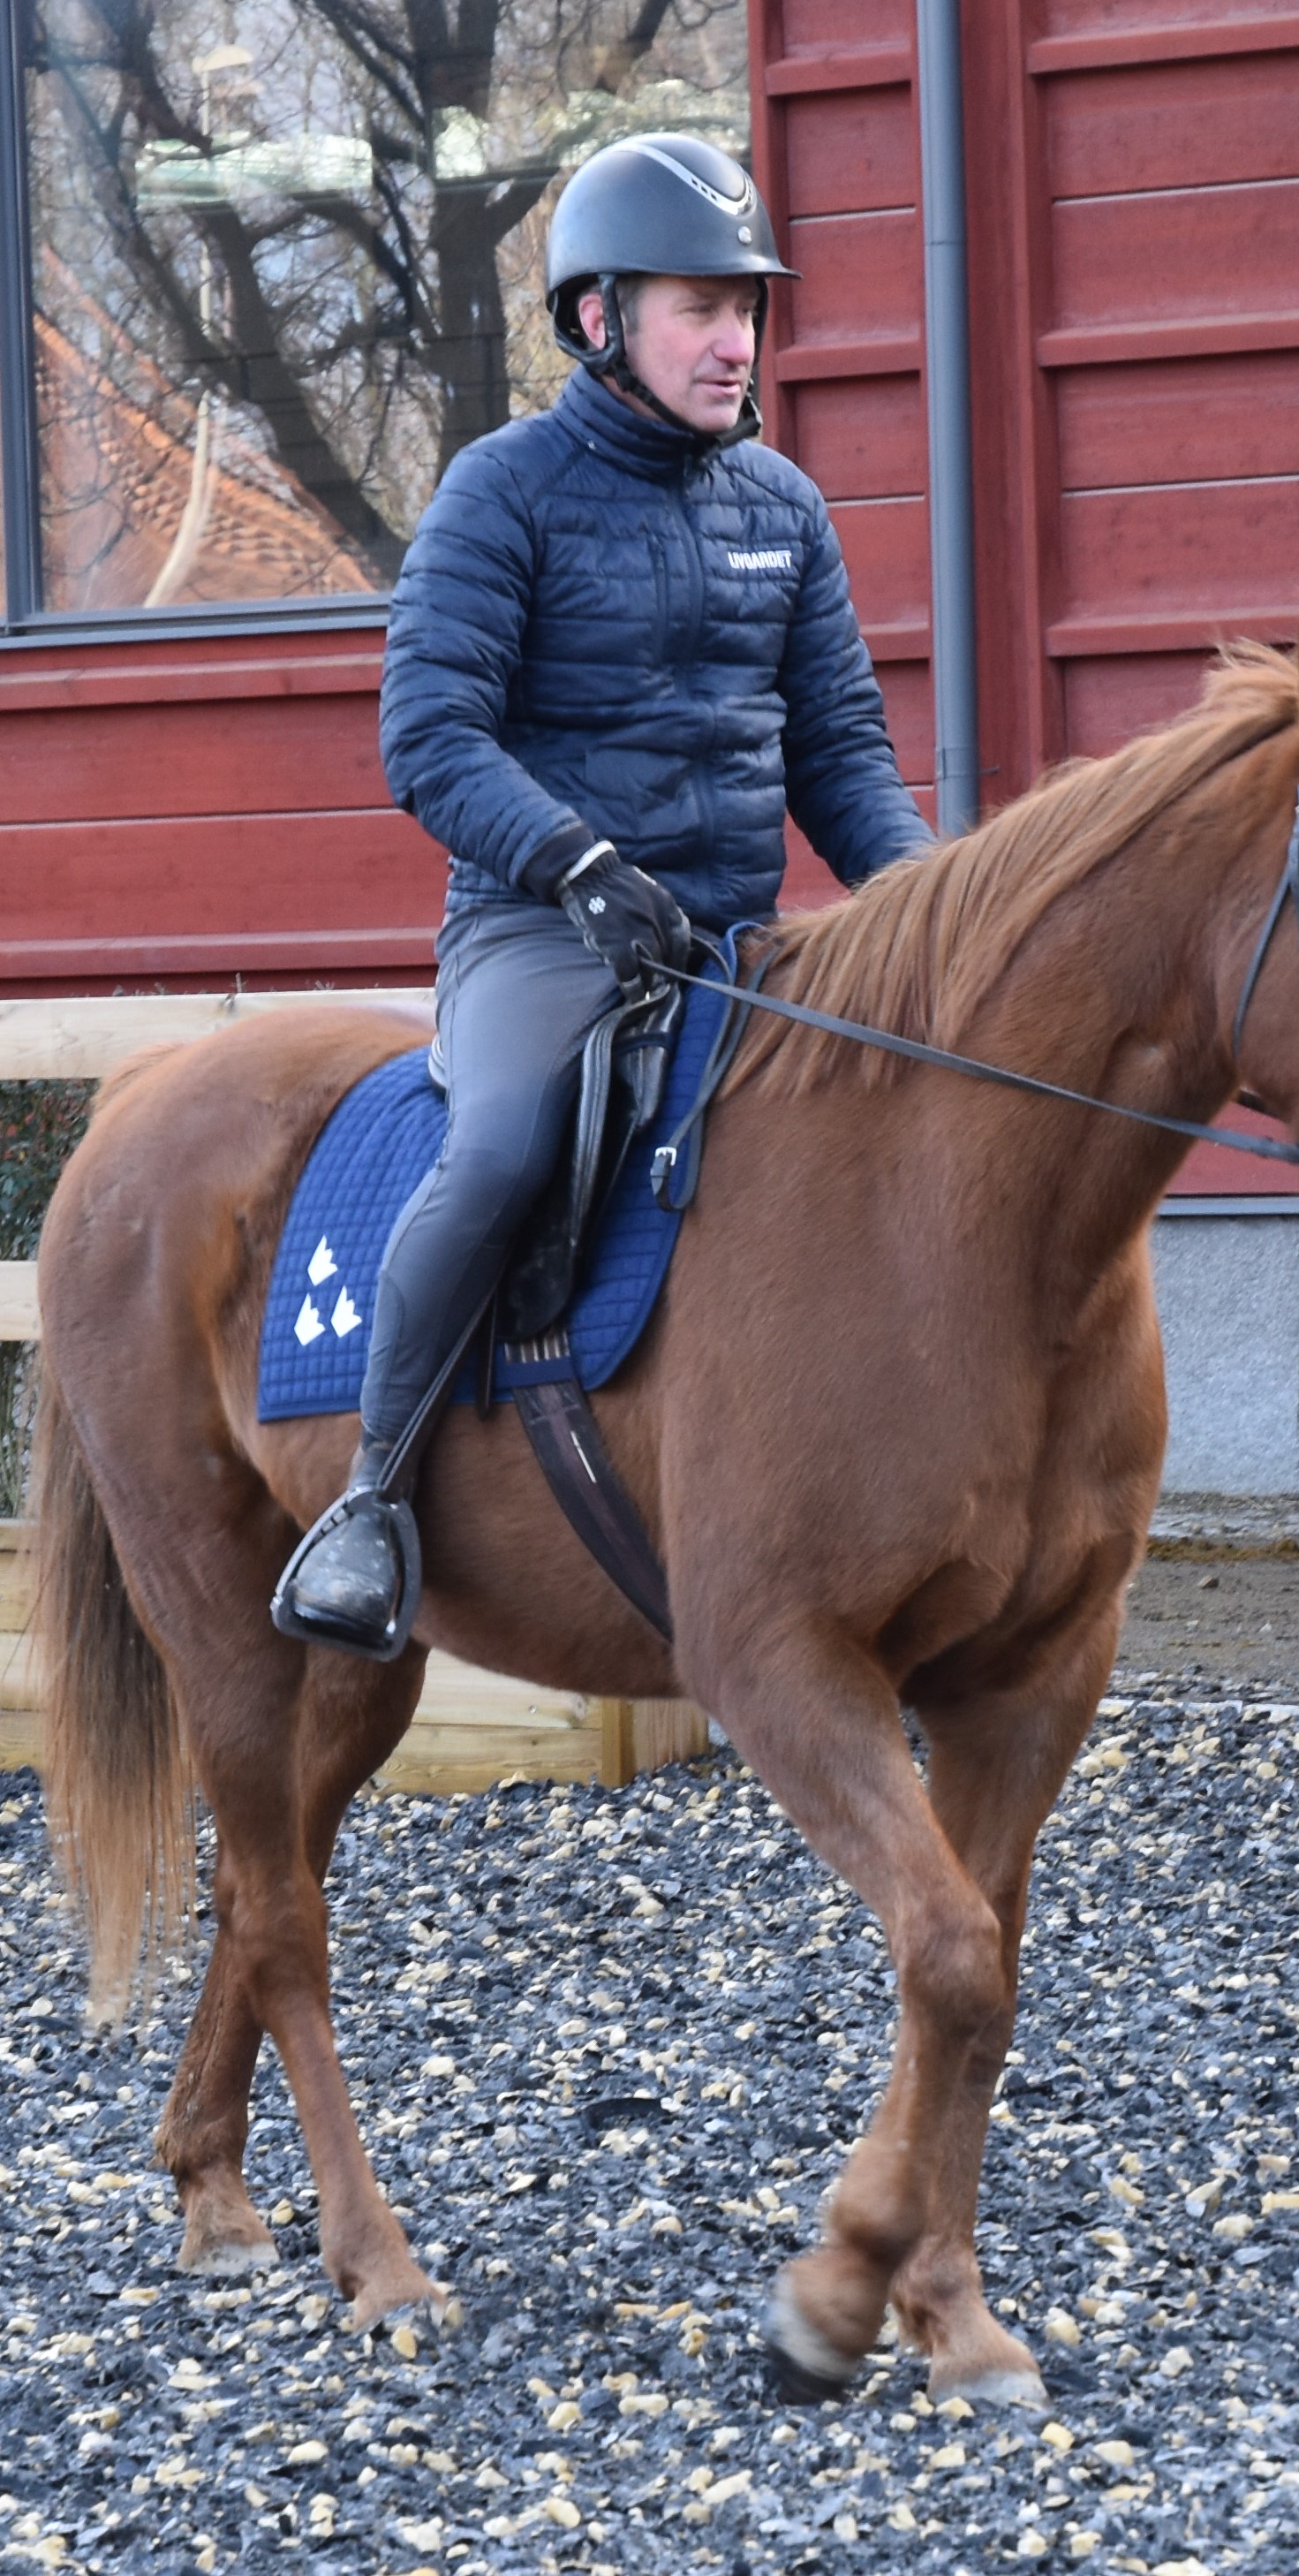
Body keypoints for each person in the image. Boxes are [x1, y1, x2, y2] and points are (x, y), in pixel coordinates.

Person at [276, 131, 935, 1656]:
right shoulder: (501, 493)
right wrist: (575, 863)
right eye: (700, 307)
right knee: (504, 1142)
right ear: (596, 320)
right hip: (541, 927)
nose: (735, 340)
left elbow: (839, 755)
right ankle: (368, 1501)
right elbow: (429, 734)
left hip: (731, 938)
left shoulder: (786, 510)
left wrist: (930, 907)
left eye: (747, 309)